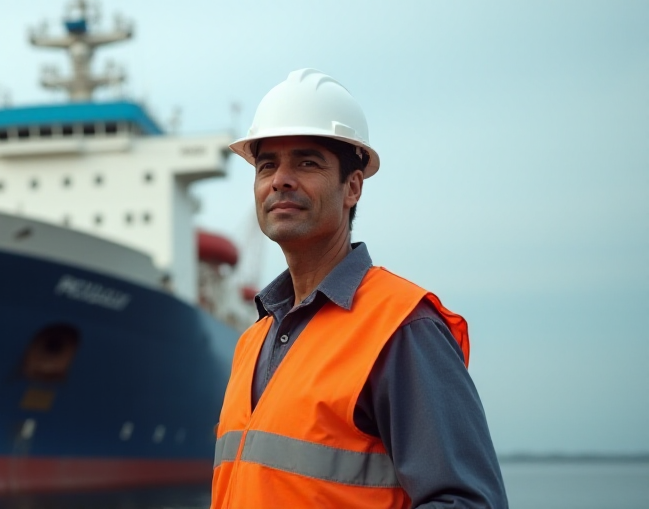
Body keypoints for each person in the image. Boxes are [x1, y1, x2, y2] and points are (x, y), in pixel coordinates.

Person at [211, 69, 508, 508]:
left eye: (307, 162)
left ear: (352, 187)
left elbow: (469, 501)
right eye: (267, 165)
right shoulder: (252, 343)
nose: (280, 179)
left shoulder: (402, 328)